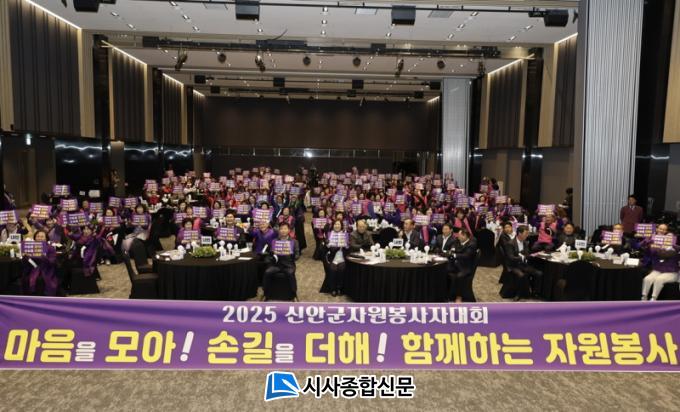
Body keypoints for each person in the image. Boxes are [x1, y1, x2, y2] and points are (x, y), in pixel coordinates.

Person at [502, 225, 543, 301]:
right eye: (526, 234)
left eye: (527, 233)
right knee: (521, 275)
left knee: (539, 274)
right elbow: (511, 258)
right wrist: (522, 257)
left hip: (523, 265)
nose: (527, 235)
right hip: (513, 266)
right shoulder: (510, 243)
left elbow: (527, 254)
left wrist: (533, 255)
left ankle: (535, 292)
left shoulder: (525, 242)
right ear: (519, 233)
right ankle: (518, 294)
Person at [263, 223, 300, 301]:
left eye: (285, 229)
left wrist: (291, 254)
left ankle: (293, 293)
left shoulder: (294, 242)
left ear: (289, 230)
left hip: (288, 265)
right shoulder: (275, 241)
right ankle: (266, 293)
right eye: (281, 229)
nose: (283, 230)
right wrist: (273, 254)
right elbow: (271, 254)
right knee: (267, 272)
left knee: (290, 274)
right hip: (276, 265)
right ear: (279, 230)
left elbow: (297, 255)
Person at [21, 230, 58, 296]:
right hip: (32, 269)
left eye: (42, 236)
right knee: (25, 278)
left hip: (46, 269)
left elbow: (52, 262)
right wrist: (25, 257)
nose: (39, 238)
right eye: (38, 236)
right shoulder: (29, 247)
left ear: (46, 238)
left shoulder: (51, 248)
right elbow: (25, 263)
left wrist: (43, 257)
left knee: (42, 280)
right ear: (35, 238)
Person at [448, 229, 479, 302]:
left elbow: (466, 255)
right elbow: (453, 246)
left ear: (464, 236)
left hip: (466, 266)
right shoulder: (458, 240)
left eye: (459, 235)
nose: (458, 236)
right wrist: (452, 250)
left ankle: (459, 296)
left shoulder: (472, 244)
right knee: (444, 270)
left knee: (459, 277)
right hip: (456, 264)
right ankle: (448, 294)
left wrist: (455, 254)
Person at [322, 219, 349, 297]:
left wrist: (346, 244)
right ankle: (333, 289)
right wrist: (327, 243)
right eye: (335, 224)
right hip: (331, 257)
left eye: (339, 224)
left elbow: (347, 248)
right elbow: (326, 247)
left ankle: (339, 288)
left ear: (341, 226)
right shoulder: (329, 234)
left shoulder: (344, 234)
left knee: (341, 269)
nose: (337, 226)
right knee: (333, 270)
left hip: (341, 256)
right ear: (333, 226)